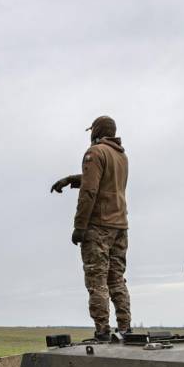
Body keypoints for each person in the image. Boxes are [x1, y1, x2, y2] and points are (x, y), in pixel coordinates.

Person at [50, 116, 132, 341]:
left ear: (96, 132)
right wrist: (71, 179)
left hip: (99, 226)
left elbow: (90, 191)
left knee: (97, 280)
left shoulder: (95, 153)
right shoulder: (121, 155)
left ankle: (102, 331)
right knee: (117, 279)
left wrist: (80, 226)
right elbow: (101, 180)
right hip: (120, 226)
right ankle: (125, 328)